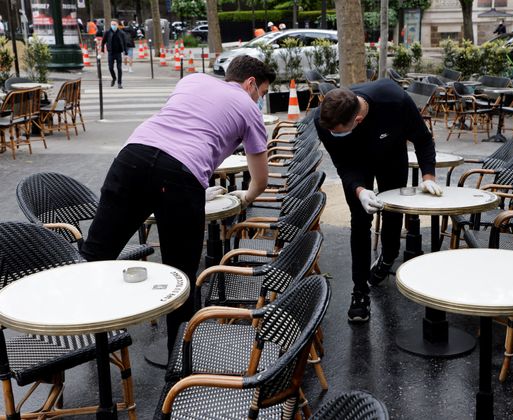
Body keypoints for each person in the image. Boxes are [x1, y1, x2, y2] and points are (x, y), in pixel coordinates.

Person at [80, 55, 275, 354]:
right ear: (250, 84)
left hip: (132, 156)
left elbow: (184, 124)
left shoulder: (193, 79)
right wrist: (244, 197)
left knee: (96, 253)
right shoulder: (249, 108)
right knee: (180, 275)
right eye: (261, 93)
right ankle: (180, 363)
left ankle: (84, 334)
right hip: (180, 176)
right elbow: (259, 180)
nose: (260, 100)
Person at [313, 79, 441, 322]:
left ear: (357, 120)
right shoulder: (324, 119)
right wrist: (360, 191)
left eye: (338, 132)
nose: (332, 135)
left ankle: (388, 255)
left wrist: (428, 177)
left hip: (391, 156)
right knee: (360, 221)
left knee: (392, 213)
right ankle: (359, 291)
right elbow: (343, 165)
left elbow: (423, 140)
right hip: (355, 163)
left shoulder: (394, 100)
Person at [101, 19, 127, 89]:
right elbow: (103, 42)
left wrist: (126, 53)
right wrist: (102, 50)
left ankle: (119, 83)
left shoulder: (121, 33)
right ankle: (114, 78)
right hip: (111, 53)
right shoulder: (107, 32)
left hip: (118, 53)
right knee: (110, 68)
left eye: (115, 24)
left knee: (119, 68)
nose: (113, 26)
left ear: (118, 25)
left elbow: (124, 43)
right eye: (112, 24)